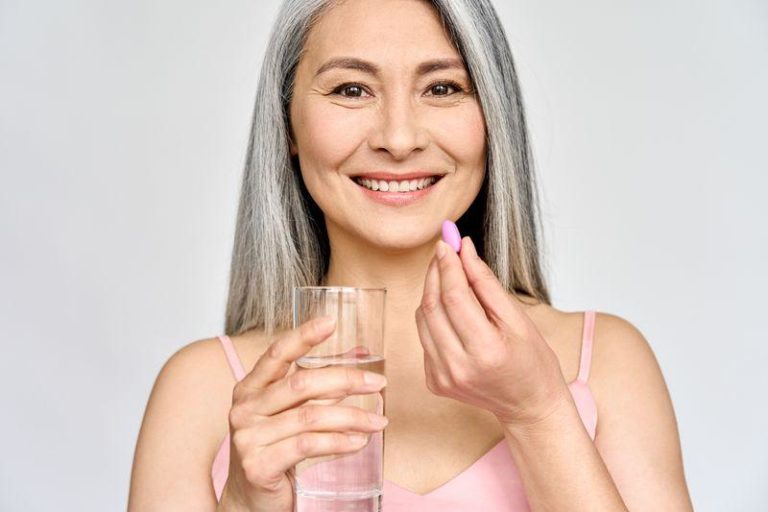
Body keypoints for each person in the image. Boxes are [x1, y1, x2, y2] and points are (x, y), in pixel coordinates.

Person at [128, 0, 694, 510]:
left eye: (443, 88)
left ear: (493, 117)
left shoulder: (608, 363)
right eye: (351, 89)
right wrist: (245, 509)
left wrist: (538, 413)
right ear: (287, 125)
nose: (399, 139)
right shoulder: (200, 390)